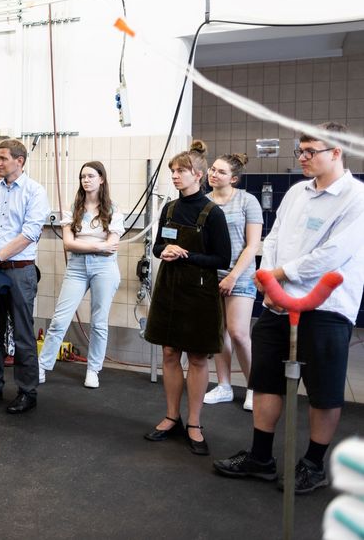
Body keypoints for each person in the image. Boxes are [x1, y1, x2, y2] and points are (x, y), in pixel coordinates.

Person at [214, 122, 364, 494]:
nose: (302, 158)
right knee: (265, 378)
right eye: (301, 150)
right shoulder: (297, 192)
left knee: (323, 389)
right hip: (278, 302)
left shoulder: (356, 198)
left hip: (327, 306)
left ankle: (313, 464)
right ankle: (260, 458)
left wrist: (279, 274)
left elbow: (332, 255)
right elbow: (275, 235)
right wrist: (267, 277)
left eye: (311, 151)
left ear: (336, 152)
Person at [143, 141, 230, 455]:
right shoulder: (169, 209)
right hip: (169, 290)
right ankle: (171, 417)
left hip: (200, 294)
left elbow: (223, 258)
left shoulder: (213, 213)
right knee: (169, 353)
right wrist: (163, 250)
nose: (175, 176)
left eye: (181, 171)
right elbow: (156, 248)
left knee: (196, 358)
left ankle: (194, 423)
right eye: (173, 171)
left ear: (199, 174)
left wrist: (189, 255)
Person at [0, 139, 50, 415]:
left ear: (20, 161)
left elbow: (29, 234)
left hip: (20, 271)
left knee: (23, 334)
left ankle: (27, 391)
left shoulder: (35, 192)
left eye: (3, 158)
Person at [38, 161, 123, 388]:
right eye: (83, 177)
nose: (86, 180)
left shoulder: (113, 210)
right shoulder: (73, 209)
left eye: (91, 176)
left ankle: (93, 370)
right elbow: (68, 244)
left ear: (101, 179)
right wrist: (98, 246)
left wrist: (84, 243)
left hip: (105, 269)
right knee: (59, 320)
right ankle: (42, 366)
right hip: (76, 268)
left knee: (99, 323)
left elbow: (112, 245)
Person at [203, 153, 263, 411]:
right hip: (211, 274)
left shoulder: (247, 201)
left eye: (221, 172)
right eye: (212, 169)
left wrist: (232, 275)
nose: (213, 174)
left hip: (239, 274)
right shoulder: (204, 202)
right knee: (219, 334)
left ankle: (254, 389)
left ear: (234, 178)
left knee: (238, 333)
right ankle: (224, 386)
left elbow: (252, 246)